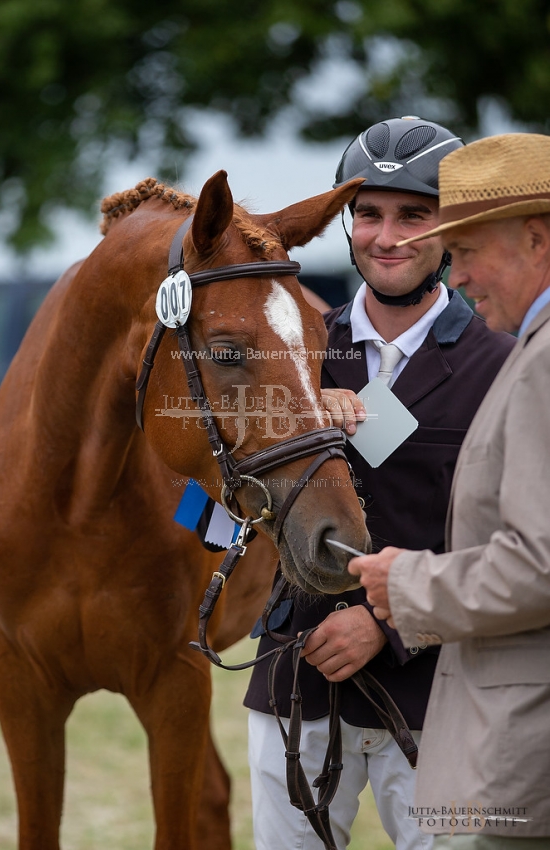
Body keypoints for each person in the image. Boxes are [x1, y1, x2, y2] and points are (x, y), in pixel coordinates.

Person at [243, 117, 516, 850]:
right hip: (296, 685)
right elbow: (237, 502)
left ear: (451, 226)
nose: (385, 235)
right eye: (368, 214)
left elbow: (514, 546)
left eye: (412, 214)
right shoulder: (295, 352)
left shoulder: (509, 361)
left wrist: (388, 623)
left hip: (438, 697)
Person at [351, 132, 550, 850]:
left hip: (515, 746)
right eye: (369, 214)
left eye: (462, 251)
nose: (455, 275)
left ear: (535, 238)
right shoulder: (311, 342)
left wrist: (402, 594)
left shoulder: (535, 359)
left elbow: (540, 564)